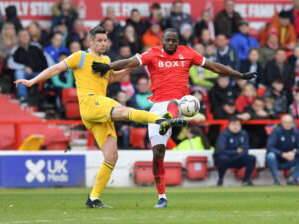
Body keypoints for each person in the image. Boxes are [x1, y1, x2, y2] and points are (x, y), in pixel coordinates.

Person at [14, 25, 181, 208]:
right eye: (99, 40)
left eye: (105, 40)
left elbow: (112, 78)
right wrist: (32, 80)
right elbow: (55, 69)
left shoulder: (107, 60)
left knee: (111, 156)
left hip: (98, 112)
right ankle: (160, 119)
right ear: (91, 41)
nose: (103, 43)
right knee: (123, 110)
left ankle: (93, 198)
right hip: (91, 103)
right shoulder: (80, 57)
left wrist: (133, 66)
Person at [91, 28, 257, 208]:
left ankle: (171, 118)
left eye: (174, 41)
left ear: (178, 41)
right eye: (168, 40)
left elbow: (214, 66)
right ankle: (162, 196)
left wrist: (239, 75)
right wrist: (108, 66)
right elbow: (130, 61)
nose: (171, 43)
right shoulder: (153, 53)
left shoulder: (187, 53)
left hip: (181, 103)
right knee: (158, 154)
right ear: (163, 41)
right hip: (157, 107)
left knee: (182, 105)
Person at [213, 117, 256, 186]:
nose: (236, 127)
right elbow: (221, 150)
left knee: (251, 158)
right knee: (222, 158)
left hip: (238, 157)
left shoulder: (244, 134)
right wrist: (235, 152)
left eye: (238, 125)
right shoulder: (223, 134)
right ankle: (220, 179)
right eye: (233, 124)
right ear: (229, 125)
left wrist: (239, 153)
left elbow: (245, 148)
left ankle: (246, 180)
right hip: (226, 157)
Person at [266, 114, 299, 185]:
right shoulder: (276, 132)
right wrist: (282, 154)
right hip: (278, 159)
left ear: (293, 123)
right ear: (281, 123)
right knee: (270, 155)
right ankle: (276, 180)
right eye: (285, 122)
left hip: (291, 159)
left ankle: (293, 178)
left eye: (290, 122)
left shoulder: (296, 132)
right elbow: (269, 147)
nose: (288, 124)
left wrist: (294, 153)